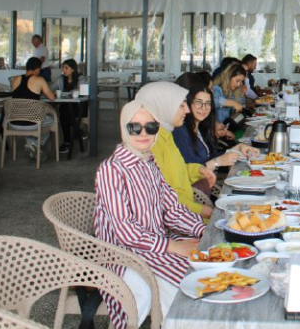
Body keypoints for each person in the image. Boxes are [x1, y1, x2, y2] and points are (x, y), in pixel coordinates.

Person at [94, 98, 205, 328]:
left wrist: (204, 231)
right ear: (124, 128)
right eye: (134, 127)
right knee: (184, 290)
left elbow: (172, 210)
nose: (143, 133)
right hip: (123, 253)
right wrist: (175, 247)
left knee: (202, 269)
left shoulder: (149, 162)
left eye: (151, 126)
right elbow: (126, 231)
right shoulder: (111, 169)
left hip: (154, 245)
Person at [134, 82, 217, 220]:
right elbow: (161, 196)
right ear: (162, 106)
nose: (187, 110)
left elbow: (175, 172)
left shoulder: (166, 135)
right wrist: (200, 210)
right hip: (175, 221)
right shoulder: (150, 144)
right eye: (181, 105)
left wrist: (198, 170)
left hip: (184, 213)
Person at [173, 84, 258, 188]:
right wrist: (217, 162)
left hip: (209, 184)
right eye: (198, 102)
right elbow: (188, 171)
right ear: (188, 104)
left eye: (208, 104)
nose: (204, 108)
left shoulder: (201, 128)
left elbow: (209, 157)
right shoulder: (180, 132)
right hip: (197, 191)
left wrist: (237, 148)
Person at [10, 57, 56, 158]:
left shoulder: (16, 79)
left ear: (26, 67)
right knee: (51, 120)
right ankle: (34, 143)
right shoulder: (39, 80)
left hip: (14, 122)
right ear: (38, 69)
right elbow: (52, 97)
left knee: (28, 116)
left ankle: (31, 144)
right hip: (31, 122)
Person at [56, 58, 84, 154]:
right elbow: (52, 88)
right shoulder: (61, 79)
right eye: (63, 68)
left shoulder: (80, 78)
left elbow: (82, 91)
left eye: (66, 68)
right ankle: (77, 132)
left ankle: (67, 142)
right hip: (65, 106)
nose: (63, 70)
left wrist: (71, 92)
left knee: (64, 114)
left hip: (77, 106)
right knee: (64, 112)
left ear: (73, 69)